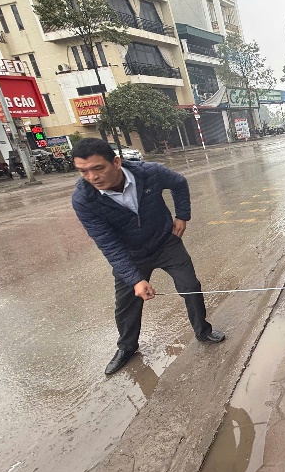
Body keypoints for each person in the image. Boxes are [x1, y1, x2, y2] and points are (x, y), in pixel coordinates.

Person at [71, 138, 225, 376]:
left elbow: (180, 183)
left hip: (165, 242)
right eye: (83, 172)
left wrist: (182, 215)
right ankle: (126, 348)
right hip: (130, 255)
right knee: (126, 304)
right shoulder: (84, 200)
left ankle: (202, 330)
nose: (92, 177)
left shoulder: (150, 173)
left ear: (116, 162)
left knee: (190, 286)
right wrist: (135, 279)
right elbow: (108, 244)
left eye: (97, 168)